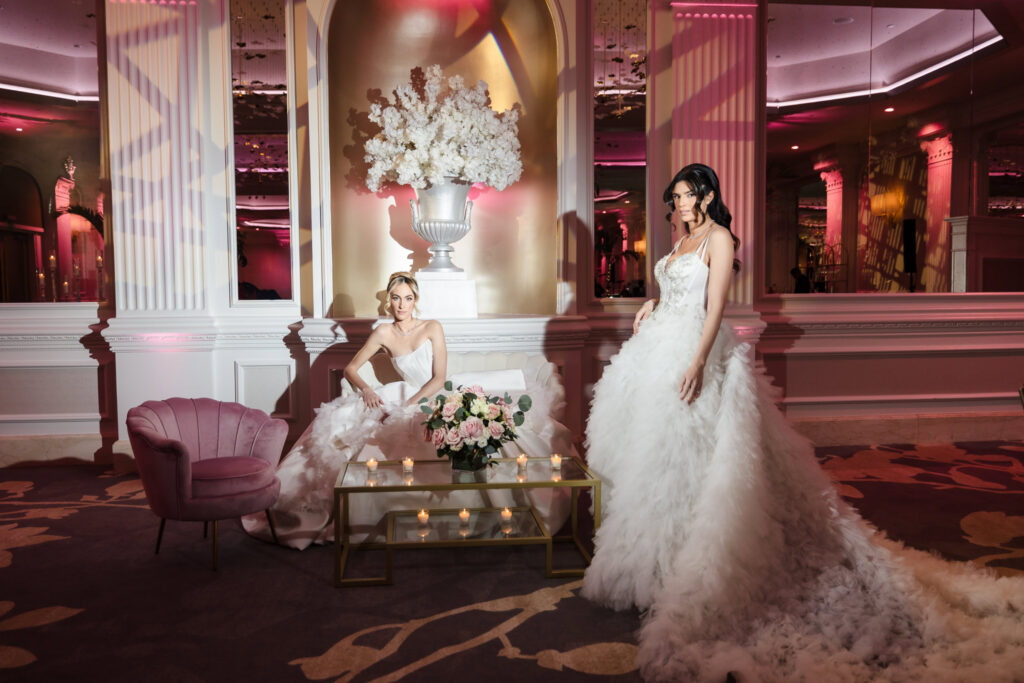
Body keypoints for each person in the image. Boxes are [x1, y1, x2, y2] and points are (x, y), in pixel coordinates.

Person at [581, 164, 1024, 682]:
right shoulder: (681, 241)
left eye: (685, 196)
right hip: (656, 348)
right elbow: (678, 293)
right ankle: (655, 568)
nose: (677, 205)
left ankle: (693, 570)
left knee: (692, 457)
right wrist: (653, 302)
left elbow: (715, 306)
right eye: (674, 197)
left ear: (706, 196)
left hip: (693, 352)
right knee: (654, 459)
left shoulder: (719, 239)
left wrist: (699, 362)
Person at [243, 272, 571, 549]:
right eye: (396, 299)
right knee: (358, 433)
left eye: (408, 298)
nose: (402, 305)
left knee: (494, 431)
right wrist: (369, 391)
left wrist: (412, 404)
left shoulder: (432, 327)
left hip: (436, 391)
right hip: (401, 395)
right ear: (389, 301)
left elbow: (440, 378)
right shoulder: (383, 332)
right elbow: (351, 370)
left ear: (416, 300)